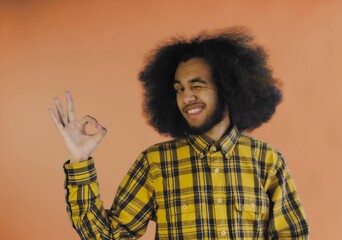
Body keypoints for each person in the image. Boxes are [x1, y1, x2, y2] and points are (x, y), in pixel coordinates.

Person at [48, 27, 309, 239]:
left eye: (197, 85)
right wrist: (80, 159)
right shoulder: (155, 164)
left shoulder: (267, 161)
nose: (186, 97)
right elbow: (107, 236)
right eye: (178, 89)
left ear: (229, 87)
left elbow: (292, 235)